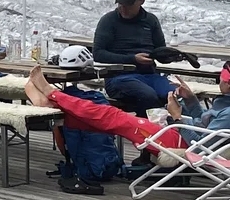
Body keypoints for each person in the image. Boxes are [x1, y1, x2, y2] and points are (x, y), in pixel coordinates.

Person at [26, 64, 187, 159]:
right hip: (179, 134)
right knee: (103, 122)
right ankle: (53, 106)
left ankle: (52, 95)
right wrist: (192, 101)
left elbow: (202, 140)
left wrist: (177, 117)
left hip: (180, 141)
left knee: (110, 116)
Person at [93, 0, 175, 113]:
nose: (123, 8)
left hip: (149, 75)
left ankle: (180, 129)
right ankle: (148, 130)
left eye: (129, 5)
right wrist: (133, 59)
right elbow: (98, 53)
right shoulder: (109, 21)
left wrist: (170, 55)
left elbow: (160, 50)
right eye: (121, 4)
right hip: (119, 77)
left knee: (176, 95)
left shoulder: (150, 21)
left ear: (141, 1)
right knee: (148, 96)